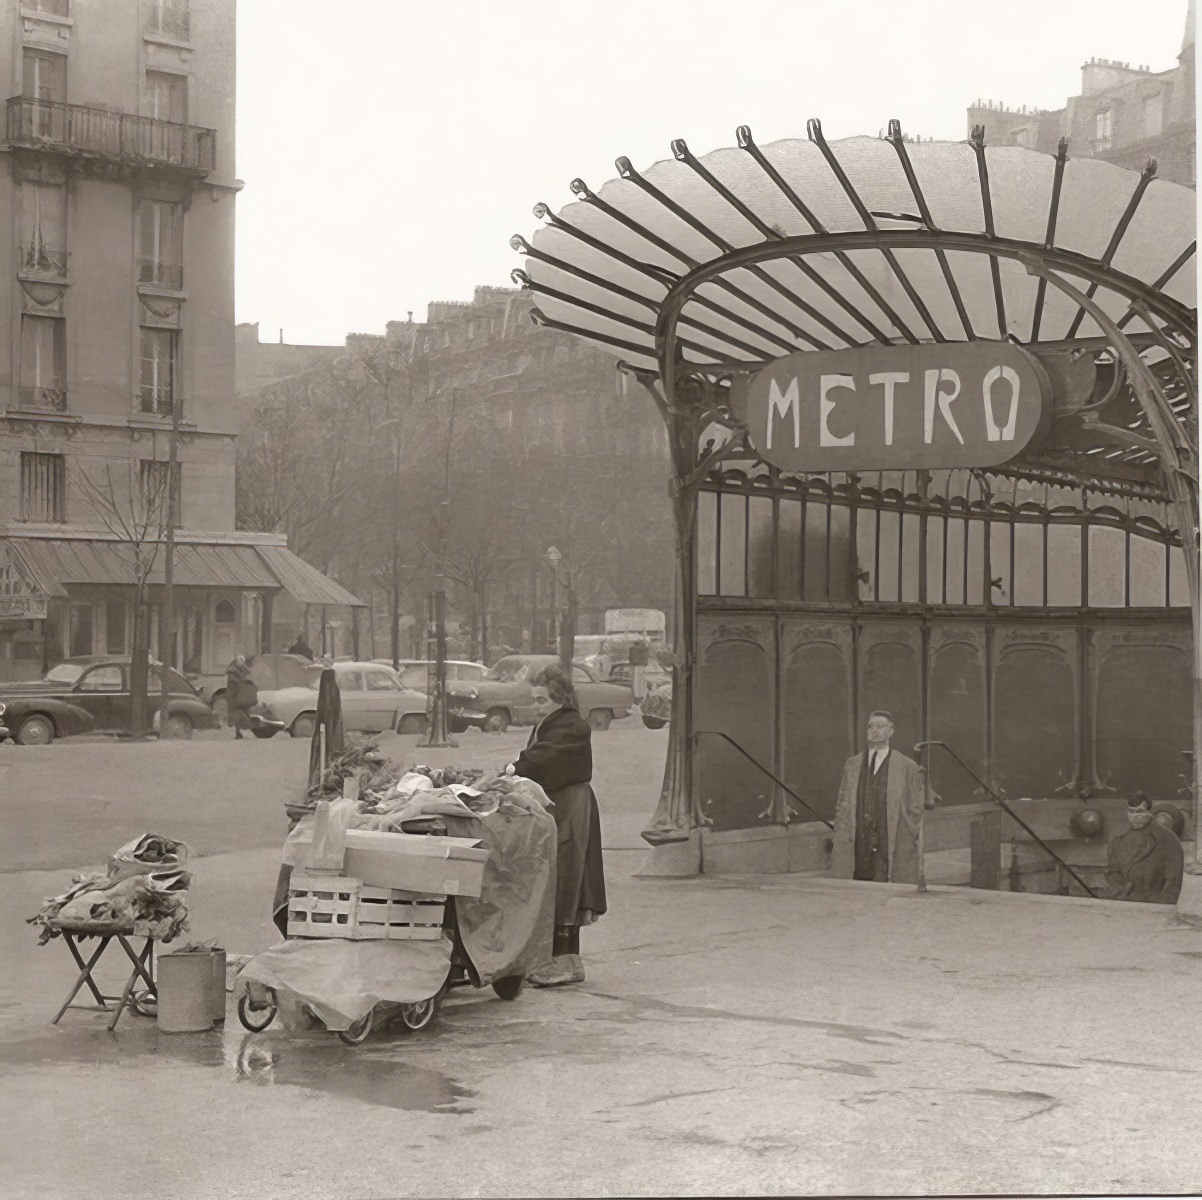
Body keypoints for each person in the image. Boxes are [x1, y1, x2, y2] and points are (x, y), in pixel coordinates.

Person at [506, 663, 606, 987]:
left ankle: (566, 962)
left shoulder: (572, 725)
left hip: (570, 809)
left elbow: (542, 759)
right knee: (557, 877)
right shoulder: (551, 723)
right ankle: (558, 960)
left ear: (559, 699)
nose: (536, 706)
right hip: (557, 807)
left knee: (567, 878)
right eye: (534, 700)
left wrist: (512, 769)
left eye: (542, 700)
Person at [830, 710, 932, 885]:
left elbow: (915, 806)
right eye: (871, 726)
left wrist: (907, 831)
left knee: (886, 876)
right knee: (858, 879)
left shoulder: (906, 766)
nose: (874, 730)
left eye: (880, 726)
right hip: (859, 833)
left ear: (891, 731)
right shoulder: (853, 764)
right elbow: (842, 800)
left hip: (890, 833)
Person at [1104, 792, 1184, 905]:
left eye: (1139, 812)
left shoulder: (1168, 839)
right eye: (1130, 811)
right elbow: (1112, 871)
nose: (1134, 816)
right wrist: (1117, 896)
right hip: (1123, 900)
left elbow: (1173, 881)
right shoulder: (1118, 837)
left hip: (1153, 903)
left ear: (1149, 812)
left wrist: (1162, 906)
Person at [225, 654, 258, 740]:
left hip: (238, 695)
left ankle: (239, 731)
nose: (241, 662)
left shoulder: (235, 671)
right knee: (238, 713)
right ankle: (239, 731)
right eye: (239, 660)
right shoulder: (239, 671)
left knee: (238, 713)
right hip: (239, 695)